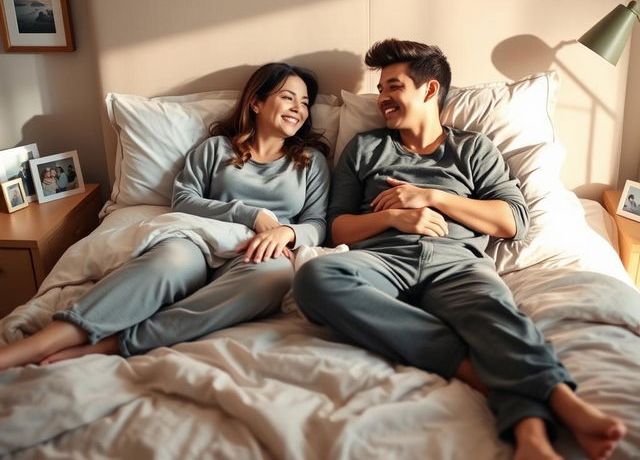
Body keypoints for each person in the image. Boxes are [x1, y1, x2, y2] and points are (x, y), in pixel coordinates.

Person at [293, 40, 626, 460]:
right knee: (314, 277)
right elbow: (336, 226)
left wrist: (432, 197)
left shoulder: (474, 149)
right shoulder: (365, 148)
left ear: (429, 90)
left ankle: (538, 432)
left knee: (495, 316)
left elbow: (513, 221)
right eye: (379, 90)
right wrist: (393, 219)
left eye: (392, 87)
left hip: (456, 264)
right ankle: (473, 371)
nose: (382, 99)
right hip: (382, 260)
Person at [0, 62, 330, 370]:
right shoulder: (216, 149)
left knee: (274, 278)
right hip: (202, 240)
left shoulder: (310, 161)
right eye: (288, 98)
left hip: (261, 251)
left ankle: (117, 343)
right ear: (256, 103)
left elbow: (317, 223)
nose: (298, 109)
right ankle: (42, 343)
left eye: (304, 102)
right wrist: (251, 214)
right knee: (168, 262)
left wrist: (285, 233)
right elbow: (183, 199)